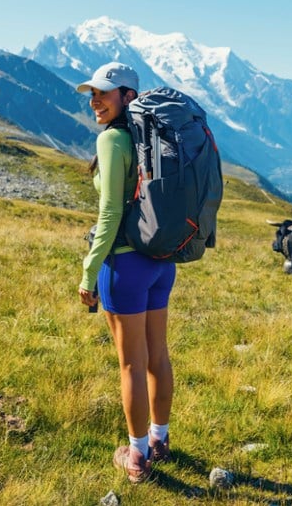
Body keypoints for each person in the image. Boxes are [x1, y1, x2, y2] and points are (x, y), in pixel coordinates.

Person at [77, 62, 175, 484]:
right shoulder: (153, 139)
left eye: (104, 92)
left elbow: (111, 211)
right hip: (160, 263)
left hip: (125, 265)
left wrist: (88, 270)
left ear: (128, 97)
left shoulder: (113, 140)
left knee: (131, 365)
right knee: (157, 355)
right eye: (92, 93)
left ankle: (135, 457)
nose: (95, 100)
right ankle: (160, 439)